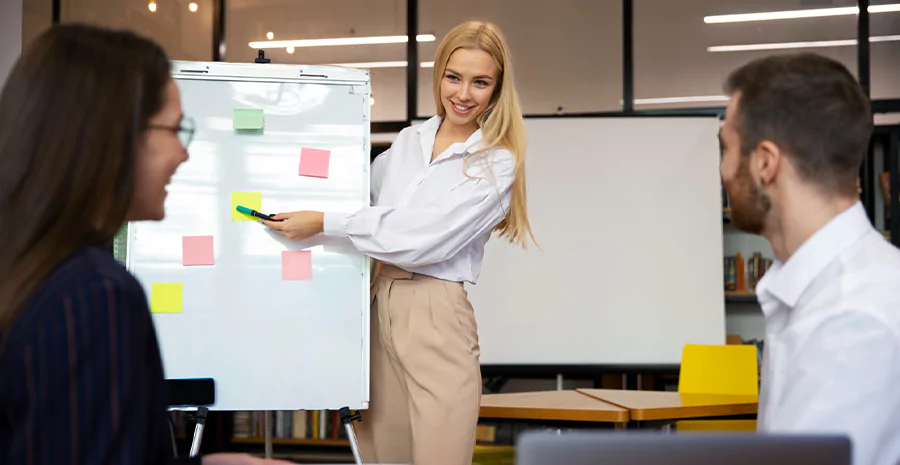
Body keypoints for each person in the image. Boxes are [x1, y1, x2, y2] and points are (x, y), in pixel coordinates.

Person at [0, 24, 291, 465]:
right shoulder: (96, 296)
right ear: (112, 138)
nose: (183, 153)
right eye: (174, 129)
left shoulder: (27, 268)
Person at [264, 20, 534, 465]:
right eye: (454, 77)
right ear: (439, 76)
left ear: (497, 89)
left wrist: (325, 221)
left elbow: (423, 238)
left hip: (435, 311)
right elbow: (361, 202)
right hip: (377, 302)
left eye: (480, 82)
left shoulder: (497, 162)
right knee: (380, 455)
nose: (463, 94)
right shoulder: (409, 140)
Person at [719, 52, 900, 465]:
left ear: (765, 162)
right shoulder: (827, 291)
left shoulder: (855, 318)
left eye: (726, 148)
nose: (724, 169)